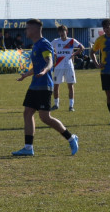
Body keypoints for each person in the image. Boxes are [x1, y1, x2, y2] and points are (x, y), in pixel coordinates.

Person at [12, 19, 79, 157]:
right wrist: (26, 74)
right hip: (34, 85)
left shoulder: (44, 44)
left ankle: (71, 138)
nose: (26, 31)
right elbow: (38, 66)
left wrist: (45, 70)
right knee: (27, 113)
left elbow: (49, 62)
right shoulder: (36, 45)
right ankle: (28, 148)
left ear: (36, 29)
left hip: (44, 86)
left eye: (28, 28)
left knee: (45, 117)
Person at [50, 24, 84, 112]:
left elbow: (82, 47)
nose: (61, 33)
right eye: (60, 32)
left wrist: (74, 54)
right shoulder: (56, 41)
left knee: (70, 86)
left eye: (63, 31)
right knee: (56, 86)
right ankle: (56, 105)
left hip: (69, 66)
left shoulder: (71, 41)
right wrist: (54, 54)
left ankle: (71, 106)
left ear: (66, 32)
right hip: (58, 66)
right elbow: (48, 48)